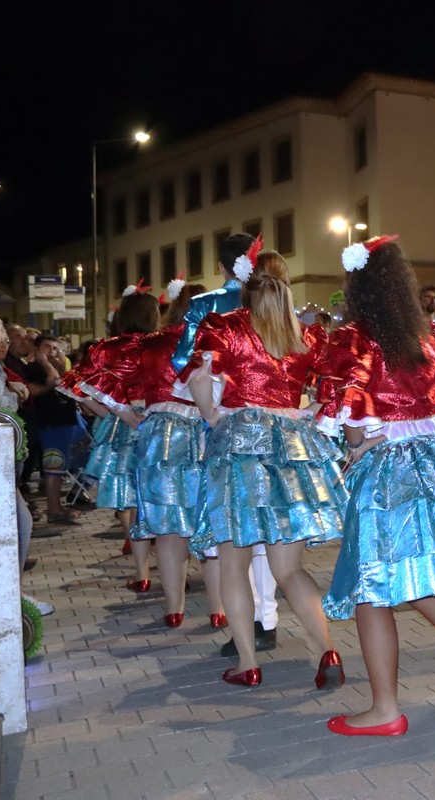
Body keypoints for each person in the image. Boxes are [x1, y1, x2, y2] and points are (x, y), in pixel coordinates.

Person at [318, 235, 435, 737]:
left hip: (387, 473)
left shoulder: (354, 339)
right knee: (415, 574)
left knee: (372, 590)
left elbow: (356, 419)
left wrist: (358, 442)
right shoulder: (428, 336)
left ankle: (385, 710)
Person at [179, 248, 347, 687]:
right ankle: (327, 650)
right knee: (289, 569)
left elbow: (200, 378)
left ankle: (248, 664)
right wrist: (307, 414)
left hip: (239, 447)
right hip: (290, 447)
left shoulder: (226, 327)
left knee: (233, 566)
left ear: (246, 296)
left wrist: (212, 416)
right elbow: (335, 388)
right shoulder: (306, 336)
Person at [173, 232, 279, 655]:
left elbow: (183, 361)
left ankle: (248, 626)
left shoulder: (205, 306)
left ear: (221, 265)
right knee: (268, 525)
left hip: (224, 425)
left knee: (234, 529)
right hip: (277, 429)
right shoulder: (276, 299)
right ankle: (267, 617)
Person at [64, 291, 159, 593]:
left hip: (122, 429)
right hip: (161, 426)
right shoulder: (163, 344)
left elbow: (74, 385)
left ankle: (143, 574)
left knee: (131, 502)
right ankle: (172, 569)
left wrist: (108, 413)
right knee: (161, 499)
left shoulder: (107, 348)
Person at [0, 312, 48, 615]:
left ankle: (10, 593)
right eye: (1, 330)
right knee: (18, 525)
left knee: (20, 524)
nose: (5, 338)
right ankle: (7, 597)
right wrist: (16, 393)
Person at [24, 333, 89, 527]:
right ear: (37, 349)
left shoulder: (57, 367)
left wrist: (61, 366)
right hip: (51, 424)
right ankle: (54, 510)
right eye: (47, 347)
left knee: (64, 465)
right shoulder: (33, 368)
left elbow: (70, 385)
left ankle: (58, 506)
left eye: (55, 348)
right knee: (54, 465)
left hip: (66, 423)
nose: (51, 352)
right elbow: (47, 383)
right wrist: (46, 364)